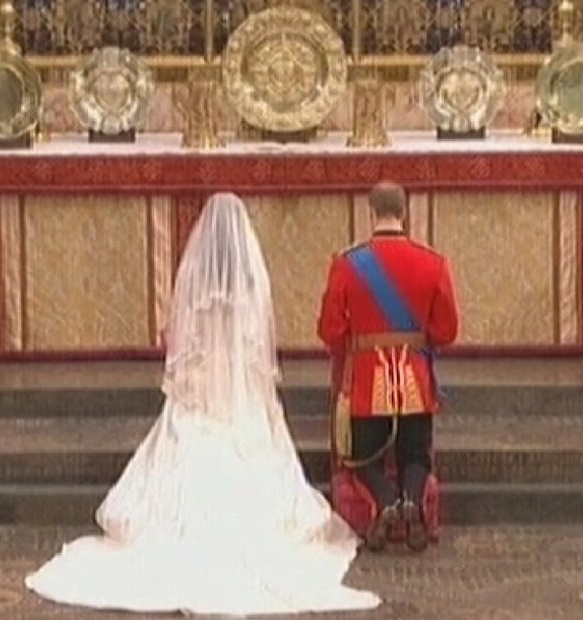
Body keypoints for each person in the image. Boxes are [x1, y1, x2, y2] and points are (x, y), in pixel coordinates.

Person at [26, 192, 380, 615]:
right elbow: (257, 353)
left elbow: (179, 345)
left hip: (199, 394)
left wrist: (189, 380)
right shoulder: (253, 284)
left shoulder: (192, 279)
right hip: (242, 398)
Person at [318, 182, 459, 552]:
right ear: (404, 212)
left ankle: (387, 503)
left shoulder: (348, 264)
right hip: (414, 376)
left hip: (368, 378)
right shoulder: (434, 262)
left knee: (363, 457)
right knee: (415, 454)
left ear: (371, 212)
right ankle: (411, 502)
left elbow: (330, 329)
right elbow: (446, 331)